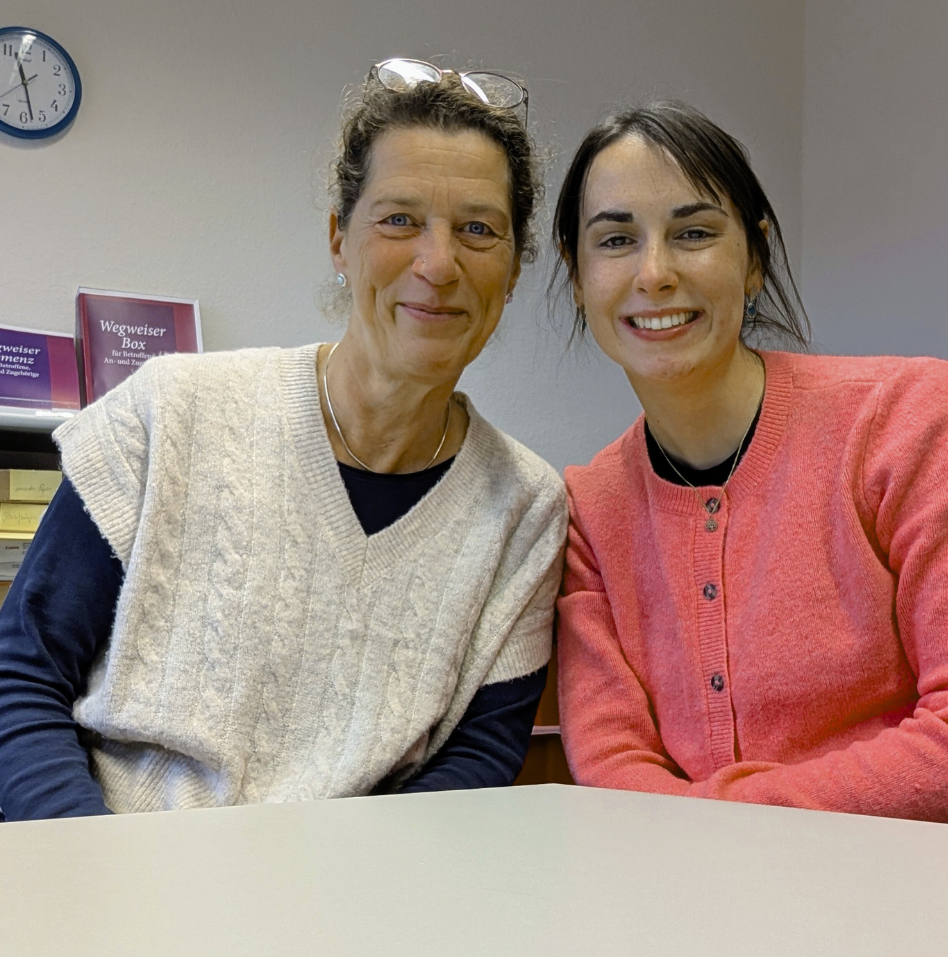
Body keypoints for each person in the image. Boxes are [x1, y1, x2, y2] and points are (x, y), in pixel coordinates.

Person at [0, 59, 566, 821]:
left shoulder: (526, 510)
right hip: (118, 876)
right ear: (340, 238)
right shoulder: (170, 411)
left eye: (478, 230)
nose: (438, 264)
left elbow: (479, 758)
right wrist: (99, 876)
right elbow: (22, 677)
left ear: (512, 269)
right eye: (399, 220)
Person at [552, 100, 948, 830]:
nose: (655, 272)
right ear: (577, 276)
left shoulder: (909, 416)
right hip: (715, 894)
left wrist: (725, 817)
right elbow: (613, 768)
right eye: (615, 241)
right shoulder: (587, 511)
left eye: (694, 233)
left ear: (755, 258)